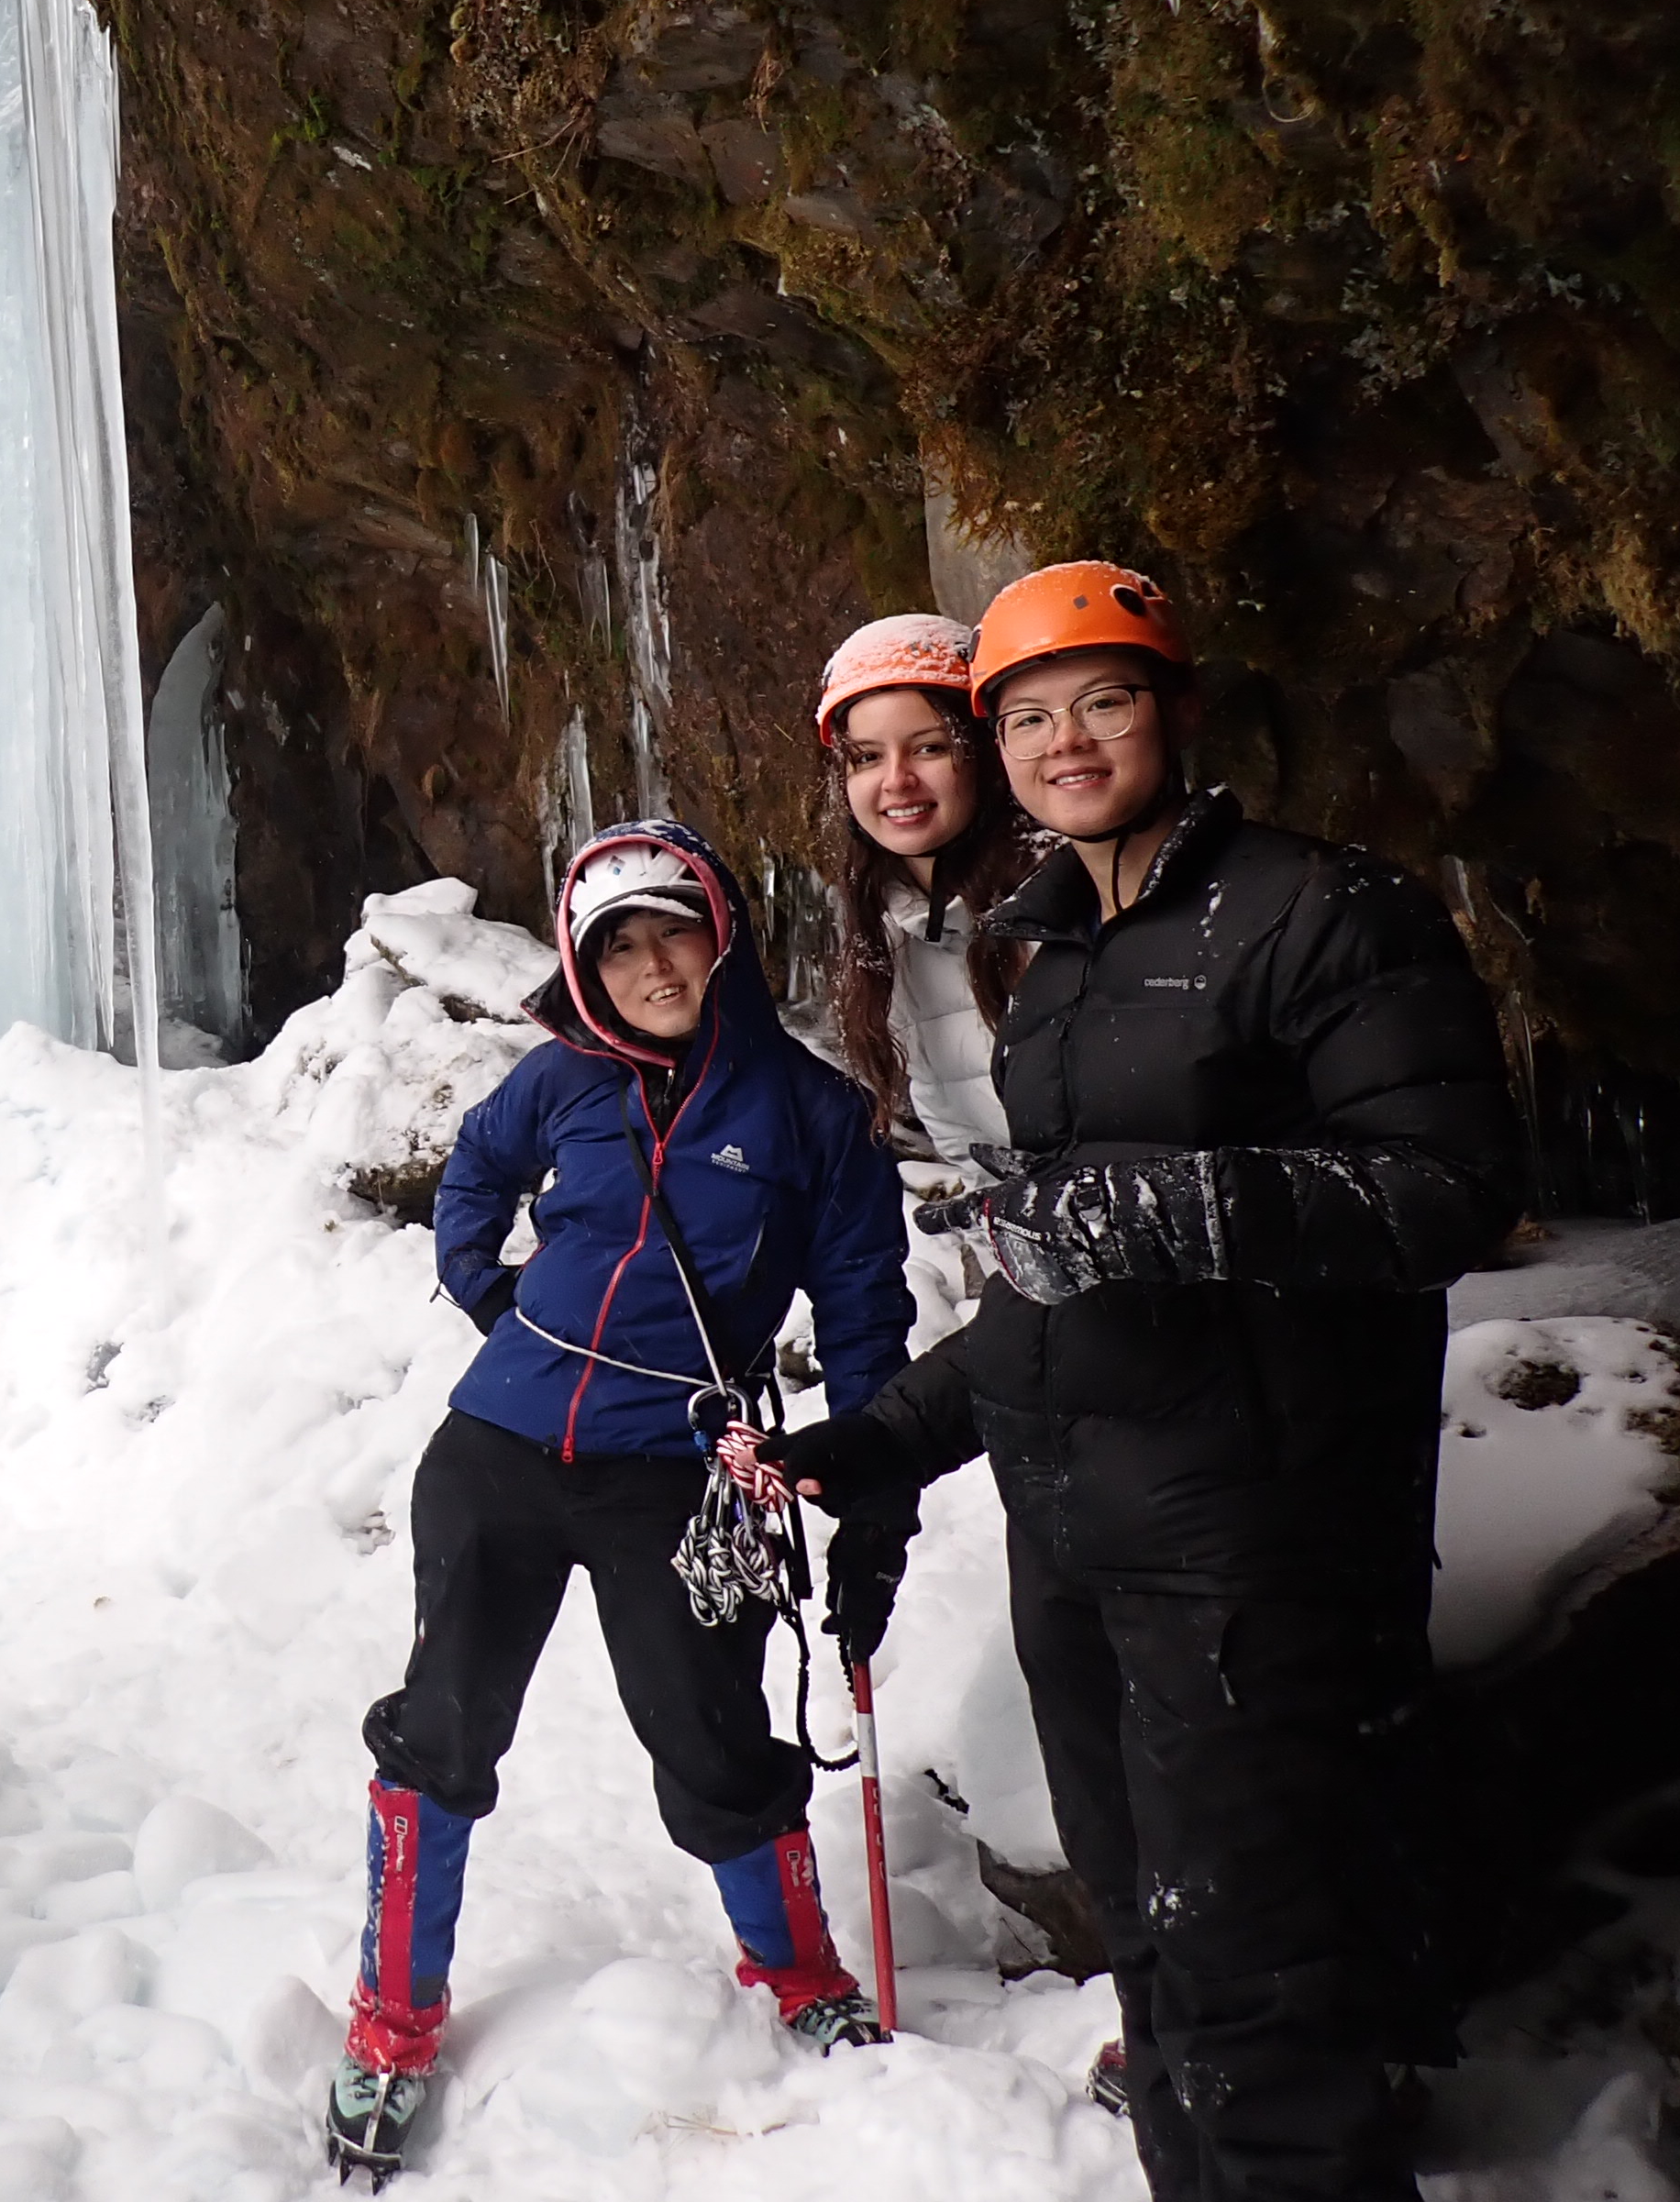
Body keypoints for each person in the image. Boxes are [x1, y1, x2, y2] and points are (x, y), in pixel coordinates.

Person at [766, 562, 1524, 2202]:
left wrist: (1173, 1204)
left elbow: (1448, 1191)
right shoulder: (1057, 965)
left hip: (1247, 1542)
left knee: (1257, 1998)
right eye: (1027, 716)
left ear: (1175, 712)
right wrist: (875, 1447)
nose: (1063, 741)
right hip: (1082, 1547)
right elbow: (1053, 1292)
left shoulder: (1321, 911)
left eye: (1100, 701)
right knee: (1166, 1979)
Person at [326, 821, 919, 2189]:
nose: (654, 962)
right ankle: (392, 2023)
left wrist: (873, 1476)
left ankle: (799, 1973)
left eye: (674, 930)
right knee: (443, 1729)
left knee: (712, 1739)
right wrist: (486, 1293)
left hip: (674, 1473)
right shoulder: (561, 1081)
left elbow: (863, 1309)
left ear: (723, 934)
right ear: (588, 970)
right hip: (499, 1456)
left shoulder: (812, 1117)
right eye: (620, 944)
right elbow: (473, 1174)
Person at [812, 614, 1042, 1334]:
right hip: (1035, 1279)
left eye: (930, 747)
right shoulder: (891, 930)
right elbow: (970, 1147)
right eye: (865, 758)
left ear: (985, 752)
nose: (896, 782)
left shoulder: (1065, 902)